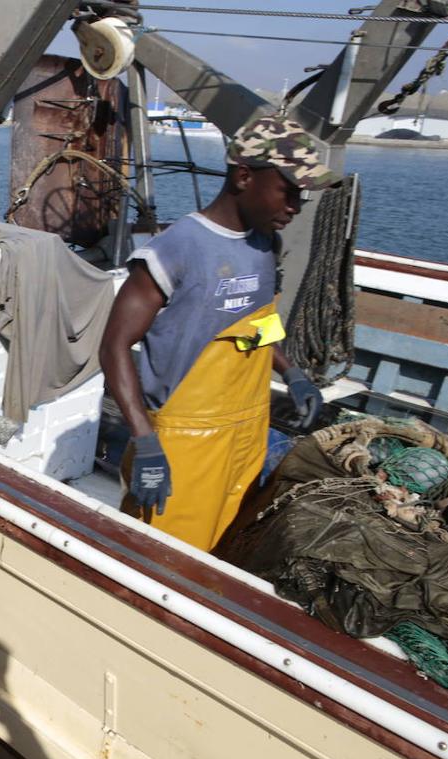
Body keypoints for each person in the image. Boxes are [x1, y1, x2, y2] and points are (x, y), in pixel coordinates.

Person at [99, 115, 336, 552]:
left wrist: (293, 372)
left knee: (225, 545)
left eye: (301, 197)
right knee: (162, 556)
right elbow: (114, 345)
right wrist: (145, 440)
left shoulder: (266, 245)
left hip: (247, 427)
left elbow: (256, 323)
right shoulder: (176, 248)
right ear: (244, 176)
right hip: (184, 441)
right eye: (289, 191)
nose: (295, 207)